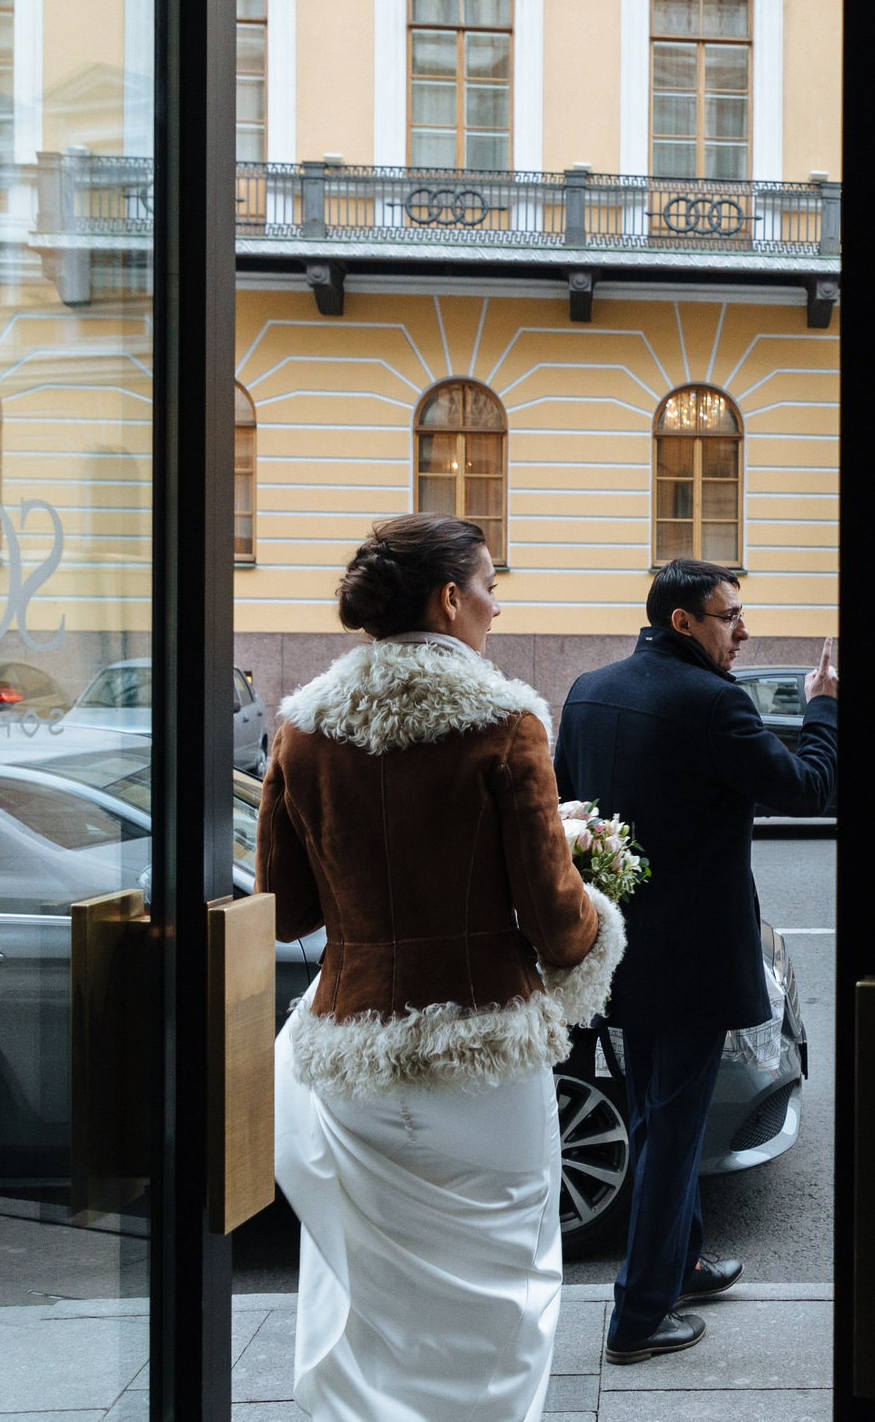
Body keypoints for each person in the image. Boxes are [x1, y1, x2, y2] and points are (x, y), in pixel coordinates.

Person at [258, 514, 624, 1422]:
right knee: (501, 1296)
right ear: (451, 598)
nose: (497, 607)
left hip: (352, 1057)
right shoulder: (507, 722)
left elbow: (288, 907)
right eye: (491, 585)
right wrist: (598, 906)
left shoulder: (300, 730)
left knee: (371, 1305)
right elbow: (554, 920)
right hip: (484, 1063)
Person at [555, 560, 839, 1363]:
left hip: (617, 953)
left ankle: (681, 1259)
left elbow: (567, 806)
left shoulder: (589, 688)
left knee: (654, 1115)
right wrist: (823, 707)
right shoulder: (713, 703)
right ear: (683, 623)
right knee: (674, 1130)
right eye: (730, 617)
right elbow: (810, 788)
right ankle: (639, 1317)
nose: (743, 631)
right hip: (692, 964)